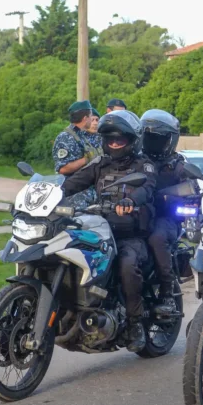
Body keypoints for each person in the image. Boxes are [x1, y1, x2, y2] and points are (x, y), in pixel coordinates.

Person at [62, 110, 156, 354]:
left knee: (126, 265)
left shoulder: (143, 165)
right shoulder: (100, 165)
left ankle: (135, 324)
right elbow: (71, 183)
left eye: (120, 140)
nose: (114, 144)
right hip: (101, 230)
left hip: (131, 235)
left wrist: (131, 201)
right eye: (110, 139)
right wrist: (49, 194)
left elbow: (146, 188)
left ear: (132, 141)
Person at [140, 109, 187, 317]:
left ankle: (167, 291)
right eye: (149, 137)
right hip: (136, 214)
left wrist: (172, 197)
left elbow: (193, 188)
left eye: (159, 138)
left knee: (157, 239)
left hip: (165, 218)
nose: (153, 142)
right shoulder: (135, 160)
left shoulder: (178, 165)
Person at [53, 101, 102, 206]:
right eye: (90, 116)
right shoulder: (66, 137)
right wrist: (87, 159)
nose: (91, 119)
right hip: (74, 197)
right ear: (85, 118)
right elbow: (63, 168)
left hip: (88, 192)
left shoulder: (83, 135)